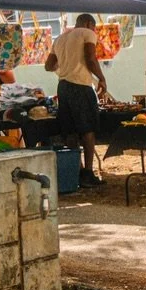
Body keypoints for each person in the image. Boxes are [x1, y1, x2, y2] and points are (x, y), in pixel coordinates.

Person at [44, 14, 107, 186]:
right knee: (88, 130)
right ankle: (88, 173)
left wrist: (65, 66)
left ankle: (76, 170)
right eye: (93, 27)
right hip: (80, 86)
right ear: (88, 23)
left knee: (70, 130)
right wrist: (102, 78)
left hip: (63, 87)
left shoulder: (60, 38)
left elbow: (48, 66)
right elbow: (91, 59)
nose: (94, 31)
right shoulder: (87, 33)